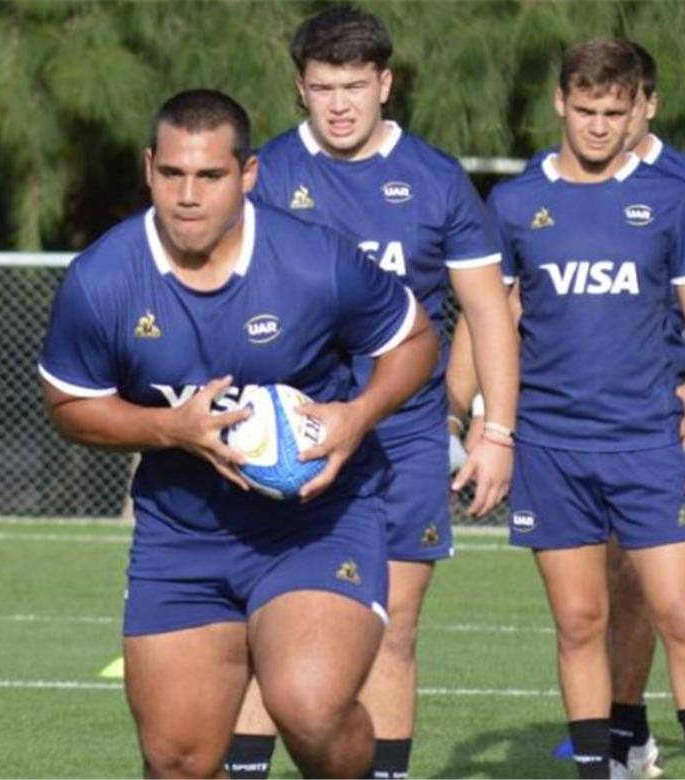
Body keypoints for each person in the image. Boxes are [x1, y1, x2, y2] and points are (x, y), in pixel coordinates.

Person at [37, 89, 437, 779]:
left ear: (248, 174)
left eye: (211, 176)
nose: (189, 195)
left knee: (308, 706)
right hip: (184, 536)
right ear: (149, 168)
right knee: (177, 762)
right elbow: (70, 404)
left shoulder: (315, 261)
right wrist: (169, 427)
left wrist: (358, 414)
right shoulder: (102, 280)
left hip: (316, 523)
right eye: (173, 175)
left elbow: (413, 339)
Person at [448, 39, 685, 780]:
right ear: (561, 102)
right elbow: (486, 313)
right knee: (581, 621)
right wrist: (461, 421)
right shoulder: (520, 200)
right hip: (551, 450)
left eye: (613, 112)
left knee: (679, 615)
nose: (598, 125)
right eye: (585, 109)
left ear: (641, 108)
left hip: (648, 442)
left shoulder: (677, 196)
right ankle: (611, 758)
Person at [222, 7, 520, 780]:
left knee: (395, 630)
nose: (340, 104)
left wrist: (496, 434)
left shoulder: (434, 179)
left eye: (355, 85)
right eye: (323, 88)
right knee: (270, 624)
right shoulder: (268, 175)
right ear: (301, 89)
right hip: (288, 437)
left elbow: (487, 309)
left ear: (385, 83)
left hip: (406, 438)